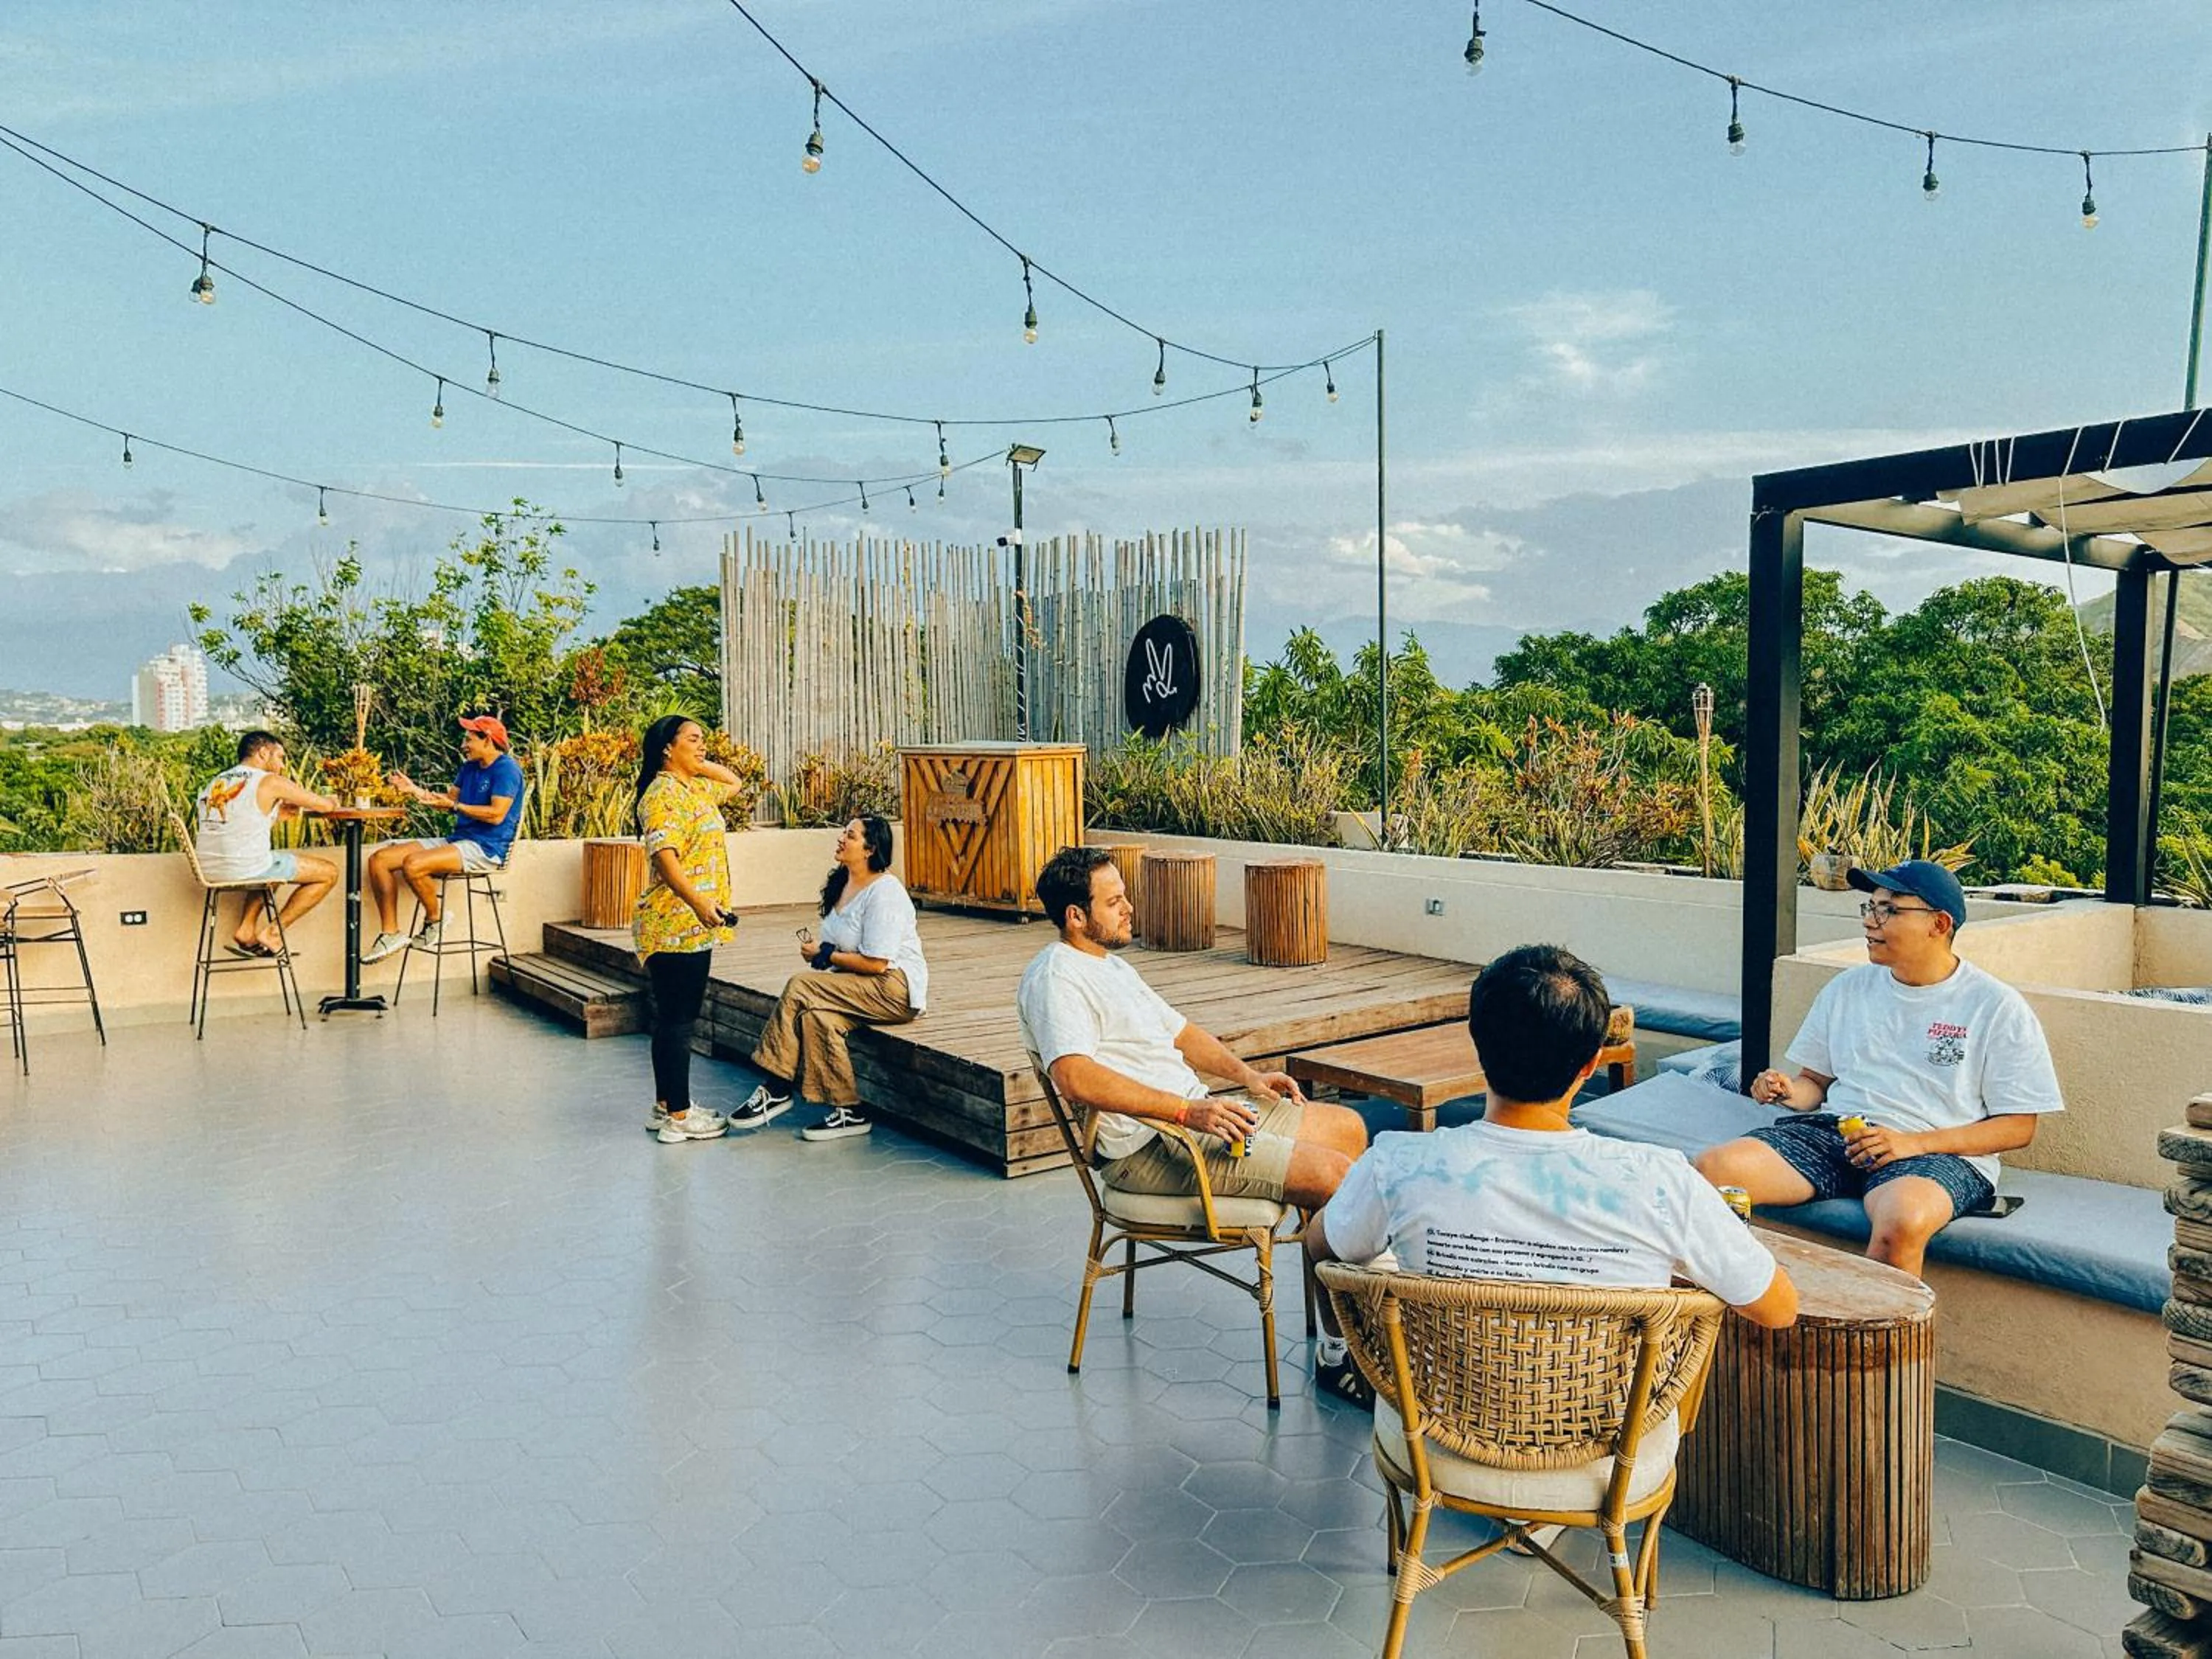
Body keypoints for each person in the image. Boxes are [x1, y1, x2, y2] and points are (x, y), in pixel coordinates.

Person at [1310, 944, 1798, 1406]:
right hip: (1612, 1446)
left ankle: (1335, 1360)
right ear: (1590, 1065)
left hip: (1435, 1427)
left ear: (1477, 1045)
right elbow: (1779, 1309)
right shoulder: (1662, 1182)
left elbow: (1321, 1245)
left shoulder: (1397, 1164)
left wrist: (1340, 1340)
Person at [1016, 844, 1370, 1391]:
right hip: (1153, 1148)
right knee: (1334, 1178)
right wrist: (1188, 1110)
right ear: (1076, 917)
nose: (1129, 907)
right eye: (1114, 902)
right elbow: (1075, 1078)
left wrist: (1249, 1078)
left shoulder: (1112, 966)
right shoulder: (1057, 980)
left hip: (1201, 1117)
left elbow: (1181, 1034)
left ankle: (1346, 1304)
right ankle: (1340, 1352)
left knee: (1350, 1131)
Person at [1695, 859, 2063, 1280]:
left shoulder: (1995, 1006)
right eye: (1869, 908)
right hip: (1835, 1134)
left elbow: (2019, 1126)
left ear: (1939, 924)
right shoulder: (1847, 989)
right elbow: (1814, 1084)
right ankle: (1731, 1318)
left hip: (1937, 1154)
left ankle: (1871, 1346)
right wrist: (1786, 1090)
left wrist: (1912, 1144)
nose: (1871, 922)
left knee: (1901, 1222)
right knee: (1713, 1171)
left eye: (1888, 910)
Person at [736, 814, 927, 1142]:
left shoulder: (885, 892)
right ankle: (849, 1111)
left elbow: (878, 962)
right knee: (817, 1018)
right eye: (844, 833)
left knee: (800, 986)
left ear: (870, 848)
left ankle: (777, 1086)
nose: (841, 839)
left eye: (850, 836)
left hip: (894, 988)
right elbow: (844, 944)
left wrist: (826, 957)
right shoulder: (843, 883)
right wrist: (822, 952)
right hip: (860, 985)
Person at [631, 715, 749, 1144]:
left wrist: (695, 763)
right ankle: (680, 1117)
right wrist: (700, 902)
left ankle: (665, 1106)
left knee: (673, 1018)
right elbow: (665, 858)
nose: (703, 747)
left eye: (704, 741)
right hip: (676, 923)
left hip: (691, 924)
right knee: (679, 1020)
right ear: (667, 747)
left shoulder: (692, 788)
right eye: (693, 740)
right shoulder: (663, 794)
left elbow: (733, 782)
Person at [360, 715, 526, 964]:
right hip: (458, 840)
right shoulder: (469, 767)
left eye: (469, 739)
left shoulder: (507, 770)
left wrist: (456, 806)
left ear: (488, 740)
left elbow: (496, 815)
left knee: (413, 864)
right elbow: (447, 803)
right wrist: (414, 790)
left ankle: (435, 920)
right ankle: (391, 933)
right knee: (380, 860)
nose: (464, 745)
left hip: (486, 849)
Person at [191, 730, 342, 956]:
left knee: (272, 864)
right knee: (329, 873)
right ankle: (273, 933)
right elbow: (325, 807)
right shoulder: (269, 781)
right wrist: (331, 800)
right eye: (280, 757)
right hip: (246, 867)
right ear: (263, 753)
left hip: (209, 870)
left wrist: (276, 816)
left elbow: (237, 825)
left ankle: (246, 929)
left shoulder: (216, 782)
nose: (281, 766)